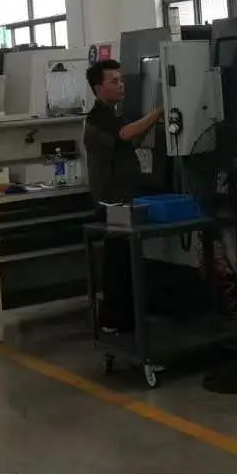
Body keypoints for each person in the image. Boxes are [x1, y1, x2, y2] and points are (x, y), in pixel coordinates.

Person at [83, 59, 164, 331]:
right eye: (114, 81)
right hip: (112, 202)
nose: (121, 85)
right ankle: (113, 319)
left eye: (121, 80)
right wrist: (158, 112)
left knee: (126, 261)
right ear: (98, 87)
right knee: (116, 263)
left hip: (124, 198)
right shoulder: (98, 116)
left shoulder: (113, 114)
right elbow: (127, 134)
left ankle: (126, 318)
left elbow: (130, 139)